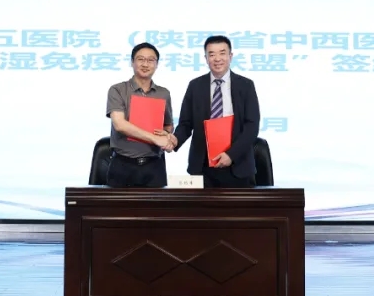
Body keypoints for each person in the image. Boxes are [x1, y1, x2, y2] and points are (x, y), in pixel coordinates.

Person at [169, 35, 261, 188]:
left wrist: (231, 155)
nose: (217, 59)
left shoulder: (246, 85)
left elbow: (251, 126)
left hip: (237, 166)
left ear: (230, 56)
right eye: (211, 54)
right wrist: (174, 140)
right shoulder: (195, 86)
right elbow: (186, 123)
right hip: (203, 166)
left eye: (222, 53)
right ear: (206, 58)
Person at [104, 42, 175, 188]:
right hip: (123, 164)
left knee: (157, 204)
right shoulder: (117, 90)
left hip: (154, 165)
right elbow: (119, 125)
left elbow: (168, 125)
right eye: (141, 59)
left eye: (151, 60)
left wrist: (167, 136)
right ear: (132, 62)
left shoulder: (164, 93)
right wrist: (155, 139)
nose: (145, 64)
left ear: (156, 64)